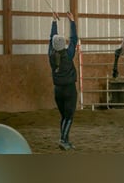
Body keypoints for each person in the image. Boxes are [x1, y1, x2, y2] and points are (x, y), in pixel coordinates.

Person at [48, 11, 78, 151]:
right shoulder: (68, 54)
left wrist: (54, 22)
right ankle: (63, 139)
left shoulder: (51, 54)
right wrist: (72, 21)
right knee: (69, 116)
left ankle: (65, 139)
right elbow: (74, 39)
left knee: (63, 116)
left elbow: (50, 38)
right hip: (69, 89)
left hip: (57, 90)